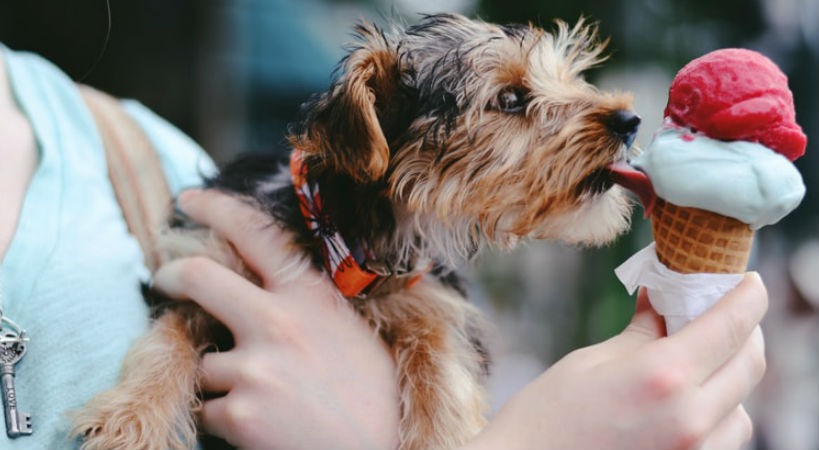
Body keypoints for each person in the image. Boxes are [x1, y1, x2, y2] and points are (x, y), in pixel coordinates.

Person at [0, 43, 766, 450]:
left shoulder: (138, 157)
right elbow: (181, 305)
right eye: (511, 102)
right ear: (375, 131)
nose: (611, 113)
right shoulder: (220, 207)